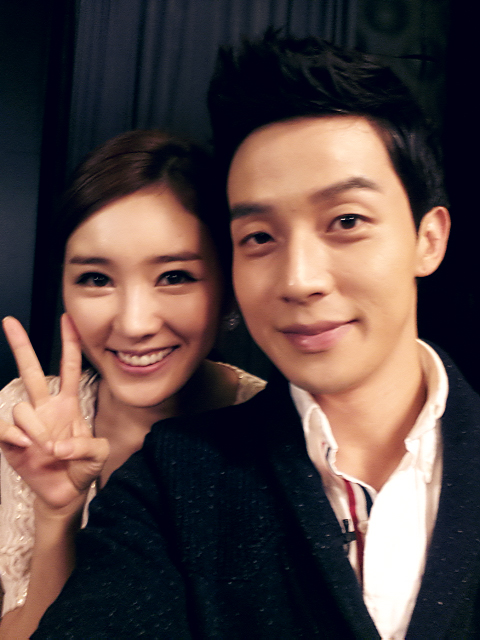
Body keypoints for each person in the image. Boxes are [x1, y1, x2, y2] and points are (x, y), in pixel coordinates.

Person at [29, 32, 480, 638]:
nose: (299, 280)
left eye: (346, 221)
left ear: (429, 238)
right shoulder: (171, 479)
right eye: (260, 237)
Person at [0, 129, 265, 639]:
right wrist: (57, 513)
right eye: (97, 279)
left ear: (229, 287)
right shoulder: (23, 418)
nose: (134, 323)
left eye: (174, 276)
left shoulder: (280, 431)